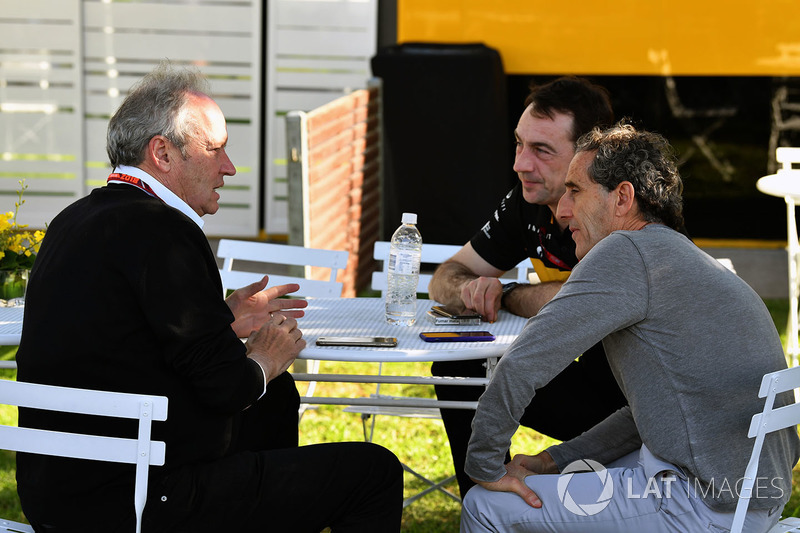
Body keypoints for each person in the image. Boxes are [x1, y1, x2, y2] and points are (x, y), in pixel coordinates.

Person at [15, 61, 403, 532]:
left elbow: (119, 340)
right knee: (374, 472)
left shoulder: (71, 220)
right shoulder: (166, 230)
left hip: (55, 495)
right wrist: (265, 355)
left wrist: (221, 317)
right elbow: (226, 386)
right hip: (140, 501)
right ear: (162, 152)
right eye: (215, 149)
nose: (229, 167)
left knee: (272, 399)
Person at [460, 123, 800, 532]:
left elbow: (522, 362)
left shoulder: (624, 252)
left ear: (622, 197)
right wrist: (554, 461)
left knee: (483, 503)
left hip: (699, 505)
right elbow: (648, 416)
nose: (563, 210)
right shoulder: (680, 256)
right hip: (750, 502)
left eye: (575, 190)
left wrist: (485, 466)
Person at [427, 76, 626, 496]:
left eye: (541, 150)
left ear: (589, 158)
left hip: (638, 412)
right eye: (519, 144)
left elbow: (583, 299)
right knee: (460, 369)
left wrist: (509, 294)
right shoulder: (529, 199)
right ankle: (485, 504)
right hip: (591, 389)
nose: (520, 163)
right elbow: (446, 274)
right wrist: (469, 289)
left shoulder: (617, 209)